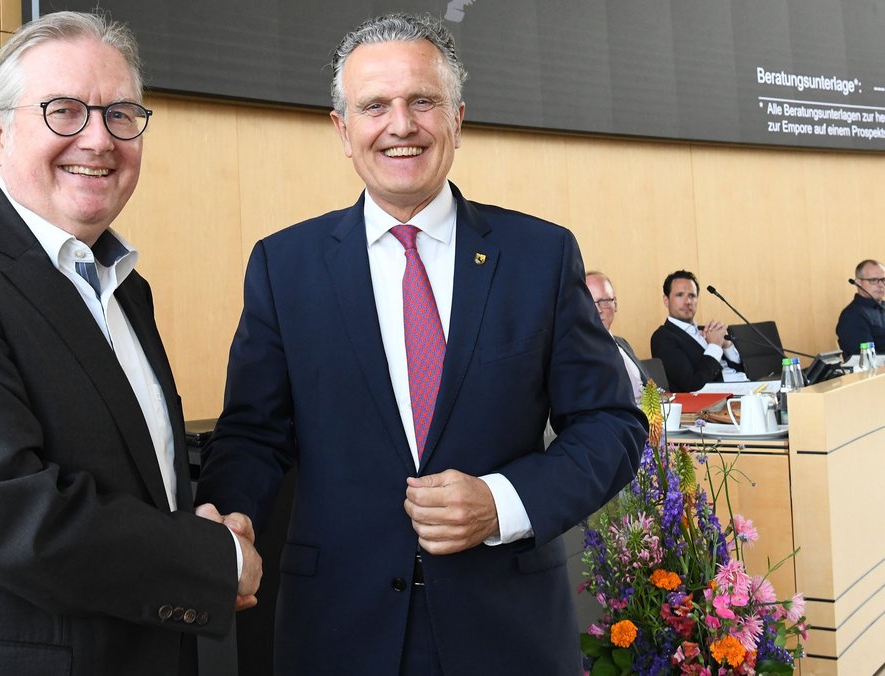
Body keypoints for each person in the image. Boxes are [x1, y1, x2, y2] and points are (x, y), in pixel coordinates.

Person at [195, 13, 646, 675]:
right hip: (337, 634)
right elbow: (252, 434)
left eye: (422, 101)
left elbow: (610, 424)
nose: (400, 125)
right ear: (342, 130)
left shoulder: (541, 256)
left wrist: (502, 502)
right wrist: (229, 521)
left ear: (457, 119)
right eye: (374, 106)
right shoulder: (283, 266)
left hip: (509, 634)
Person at [0, 12, 259, 676]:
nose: (98, 139)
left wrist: (204, 525)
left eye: (121, 115)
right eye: (64, 111)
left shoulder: (126, 289)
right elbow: (5, 518)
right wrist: (215, 560)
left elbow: (135, 486)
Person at [650, 269, 745, 392]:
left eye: (692, 296)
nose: (688, 302)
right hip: (718, 399)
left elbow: (742, 371)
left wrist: (727, 346)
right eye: (680, 295)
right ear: (666, 300)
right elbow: (691, 385)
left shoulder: (708, 331)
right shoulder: (663, 337)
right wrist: (715, 346)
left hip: (746, 388)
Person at [587, 271, 652, 399]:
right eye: (589, 303)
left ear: (615, 304)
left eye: (603, 301)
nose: (598, 310)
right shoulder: (578, 352)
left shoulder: (622, 343)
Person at [836, 259, 885, 359]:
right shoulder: (853, 315)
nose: (881, 285)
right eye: (873, 280)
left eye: (884, 280)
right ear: (858, 283)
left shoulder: (882, 306)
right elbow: (867, 358)